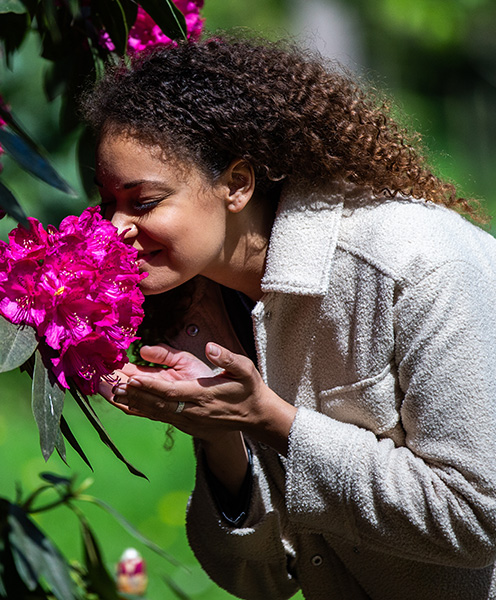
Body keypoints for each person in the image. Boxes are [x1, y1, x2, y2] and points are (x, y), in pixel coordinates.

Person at [83, 34, 496, 599]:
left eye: (144, 202)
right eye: (107, 203)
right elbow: (261, 581)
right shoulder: (199, 309)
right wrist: (223, 438)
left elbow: (480, 518)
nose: (113, 229)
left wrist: (273, 420)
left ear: (236, 184)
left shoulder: (416, 263)